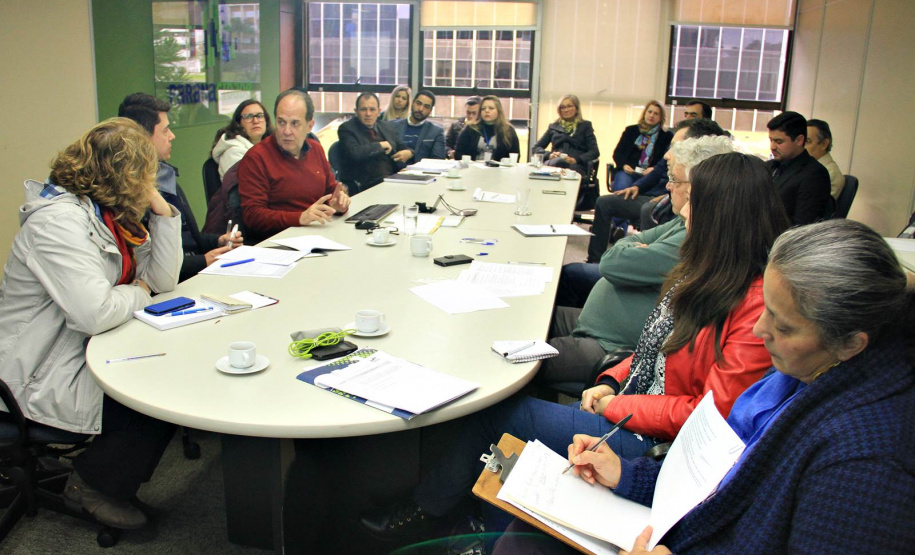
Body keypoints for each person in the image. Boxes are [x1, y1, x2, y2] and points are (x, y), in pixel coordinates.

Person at [360, 151, 790, 541]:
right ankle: (479, 522)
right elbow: (654, 350)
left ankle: (427, 512)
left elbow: (709, 419)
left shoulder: (753, 305)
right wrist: (611, 380)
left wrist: (617, 406)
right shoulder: (705, 271)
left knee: (496, 416)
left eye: (694, 202)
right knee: (511, 415)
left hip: (655, 446)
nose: (683, 211)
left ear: (723, 214)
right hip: (634, 410)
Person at [509, 219, 915, 555]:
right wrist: (628, 476)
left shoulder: (867, 463)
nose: (760, 330)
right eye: (767, 311)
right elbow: (721, 485)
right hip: (681, 522)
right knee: (523, 530)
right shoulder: (806, 375)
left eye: (782, 325)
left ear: (851, 343)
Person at [0, 118, 183, 530]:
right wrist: (138, 292)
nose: (149, 183)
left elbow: (163, 281)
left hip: (81, 347)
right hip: (35, 371)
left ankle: (112, 479)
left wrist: (162, 210)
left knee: (169, 375)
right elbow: (95, 313)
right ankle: (93, 485)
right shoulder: (58, 223)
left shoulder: (107, 214)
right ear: (125, 175)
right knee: (154, 394)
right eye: (145, 175)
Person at [540, 135, 734, 389]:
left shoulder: (692, 237)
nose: (668, 186)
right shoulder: (683, 221)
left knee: (521, 360)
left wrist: (635, 247)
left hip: (609, 347)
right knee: (531, 317)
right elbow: (628, 245)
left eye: (675, 180)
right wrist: (635, 246)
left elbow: (612, 262)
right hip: (595, 327)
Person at [119, 93, 242, 281]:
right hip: (171, 284)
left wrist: (218, 240)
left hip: (195, 274)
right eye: (165, 130)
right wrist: (203, 261)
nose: (172, 136)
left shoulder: (165, 175)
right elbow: (148, 264)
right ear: (142, 138)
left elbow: (188, 238)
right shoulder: (130, 192)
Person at [583, 118, 726, 265]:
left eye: (676, 147)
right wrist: (637, 187)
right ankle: (595, 259)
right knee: (606, 201)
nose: (667, 155)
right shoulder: (671, 163)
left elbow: (611, 263)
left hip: (657, 200)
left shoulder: (694, 211)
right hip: (652, 194)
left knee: (648, 209)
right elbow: (657, 172)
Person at [238, 89, 350, 244]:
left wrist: (338, 204)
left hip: (317, 234)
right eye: (281, 122)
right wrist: (300, 217)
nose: (286, 131)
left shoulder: (316, 149)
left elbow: (331, 193)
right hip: (277, 242)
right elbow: (252, 216)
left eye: (295, 123)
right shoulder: (256, 158)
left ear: (310, 126)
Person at [337, 91, 413, 193]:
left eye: (372, 109)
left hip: (392, 179)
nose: (368, 114)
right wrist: (380, 145)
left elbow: (402, 147)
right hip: (365, 183)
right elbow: (354, 153)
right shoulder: (347, 129)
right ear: (356, 111)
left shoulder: (387, 127)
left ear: (378, 112)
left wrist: (409, 152)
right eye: (363, 109)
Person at [765, 111, 832, 224]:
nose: (772, 147)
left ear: (799, 140)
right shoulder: (768, 166)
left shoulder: (815, 174)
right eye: (771, 140)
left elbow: (803, 225)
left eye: (779, 141)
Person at [611, 100, 673, 191]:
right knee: (622, 189)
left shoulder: (667, 135)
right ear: (645, 113)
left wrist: (654, 169)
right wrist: (623, 165)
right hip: (629, 171)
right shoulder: (631, 130)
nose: (651, 115)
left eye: (656, 113)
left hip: (651, 175)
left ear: (661, 117)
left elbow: (666, 159)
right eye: (649, 112)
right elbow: (618, 153)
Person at [532, 94, 599, 177]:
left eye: (569, 106)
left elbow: (594, 151)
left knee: (566, 168)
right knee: (557, 163)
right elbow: (536, 148)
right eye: (562, 107)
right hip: (554, 164)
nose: (566, 110)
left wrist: (576, 160)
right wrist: (549, 155)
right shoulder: (553, 127)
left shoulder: (585, 126)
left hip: (575, 166)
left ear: (576, 108)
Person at [211, 99, 274, 179]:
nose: (255, 121)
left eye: (259, 116)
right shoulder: (233, 152)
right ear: (238, 124)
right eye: (248, 117)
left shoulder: (271, 146)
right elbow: (254, 182)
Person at [454, 95, 520, 162]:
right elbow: (458, 153)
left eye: (491, 108)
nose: (487, 111)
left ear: (498, 111)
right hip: (473, 167)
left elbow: (515, 155)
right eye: (483, 108)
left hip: (499, 168)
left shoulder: (508, 130)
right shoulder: (470, 128)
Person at [390, 90, 446, 163]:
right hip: (394, 168)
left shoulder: (436, 132)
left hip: (421, 169)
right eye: (418, 103)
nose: (420, 109)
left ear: (430, 110)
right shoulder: (392, 126)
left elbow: (438, 161)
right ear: (412, 103)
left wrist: (412, 155)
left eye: (426, 106)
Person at [805, 118, 845, 199]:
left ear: (824, 144)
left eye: (807, 141)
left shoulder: (829, 174)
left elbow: (812, 205)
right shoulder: (809, 167)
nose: (801, 146)